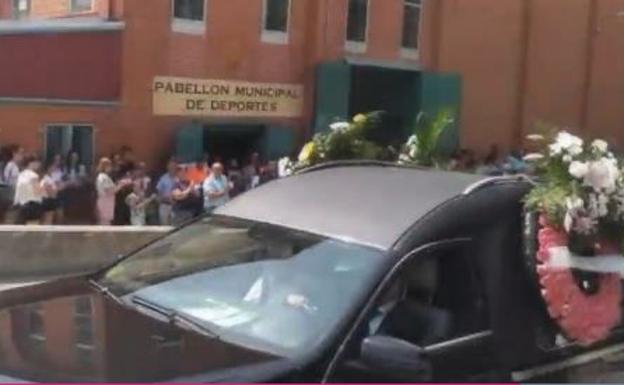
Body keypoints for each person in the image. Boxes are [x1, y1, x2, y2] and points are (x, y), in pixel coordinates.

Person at [96, 157, 130, 225]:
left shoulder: (102, 176)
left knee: (104, 222)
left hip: (105, 202)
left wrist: (119, 184)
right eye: (109, 166)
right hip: (105, 202)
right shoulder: (103, 177)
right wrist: (121, 185)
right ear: (105, 166)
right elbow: (110, 191)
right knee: (105, 223)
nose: (110, 168)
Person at [14, 156, 44, 225]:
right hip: (33, 206)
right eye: (37, 162)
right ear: (31, 163)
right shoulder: (33, 175)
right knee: (32, 230)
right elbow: (37, 191)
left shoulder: (21, 174)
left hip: (21, 205)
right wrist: (43, 186)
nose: (39, 165)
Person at [156, 159, 178, 226]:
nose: (172, 168)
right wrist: (167, 198)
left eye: (174, 166)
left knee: (175, 226)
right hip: (164, 205)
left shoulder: (179, 178)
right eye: (171, 166)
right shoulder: (163, 178)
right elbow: (158, 194)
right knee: (164, 227)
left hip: (176, 206)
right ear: (167, 167)